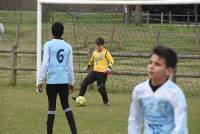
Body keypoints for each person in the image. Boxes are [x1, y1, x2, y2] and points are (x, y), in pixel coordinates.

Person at [128, 45, 188, 134]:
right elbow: (134, 120)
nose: (151, 66)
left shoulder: (175, 94)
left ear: (168, 71)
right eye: (150, 62)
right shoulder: (139, 91)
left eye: (157, 64)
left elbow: (181, 127)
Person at [37, 22, 77, 134]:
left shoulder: (48, 45)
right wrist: (71, 82)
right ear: (62, 32)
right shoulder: (68, 46)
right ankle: (74, 132)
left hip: (52, 82)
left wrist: (40, 80)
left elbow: (45, 64)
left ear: (52, 32)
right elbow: (70, 66)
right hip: (64, 81)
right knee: (66, 107)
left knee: (51, 108)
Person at [72, 37, 114, 106]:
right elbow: (91, 60)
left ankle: (106, 102)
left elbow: (111, 60)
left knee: (101, 88)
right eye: (97, 46)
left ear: (103, 45)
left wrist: (109, 67)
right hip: (94, 72)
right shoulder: (94, 52)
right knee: (84, 83)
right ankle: (79, 97)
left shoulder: (106, 52)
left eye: (100, 46)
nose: (98, 47)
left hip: (102, 73)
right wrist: (88, 67)